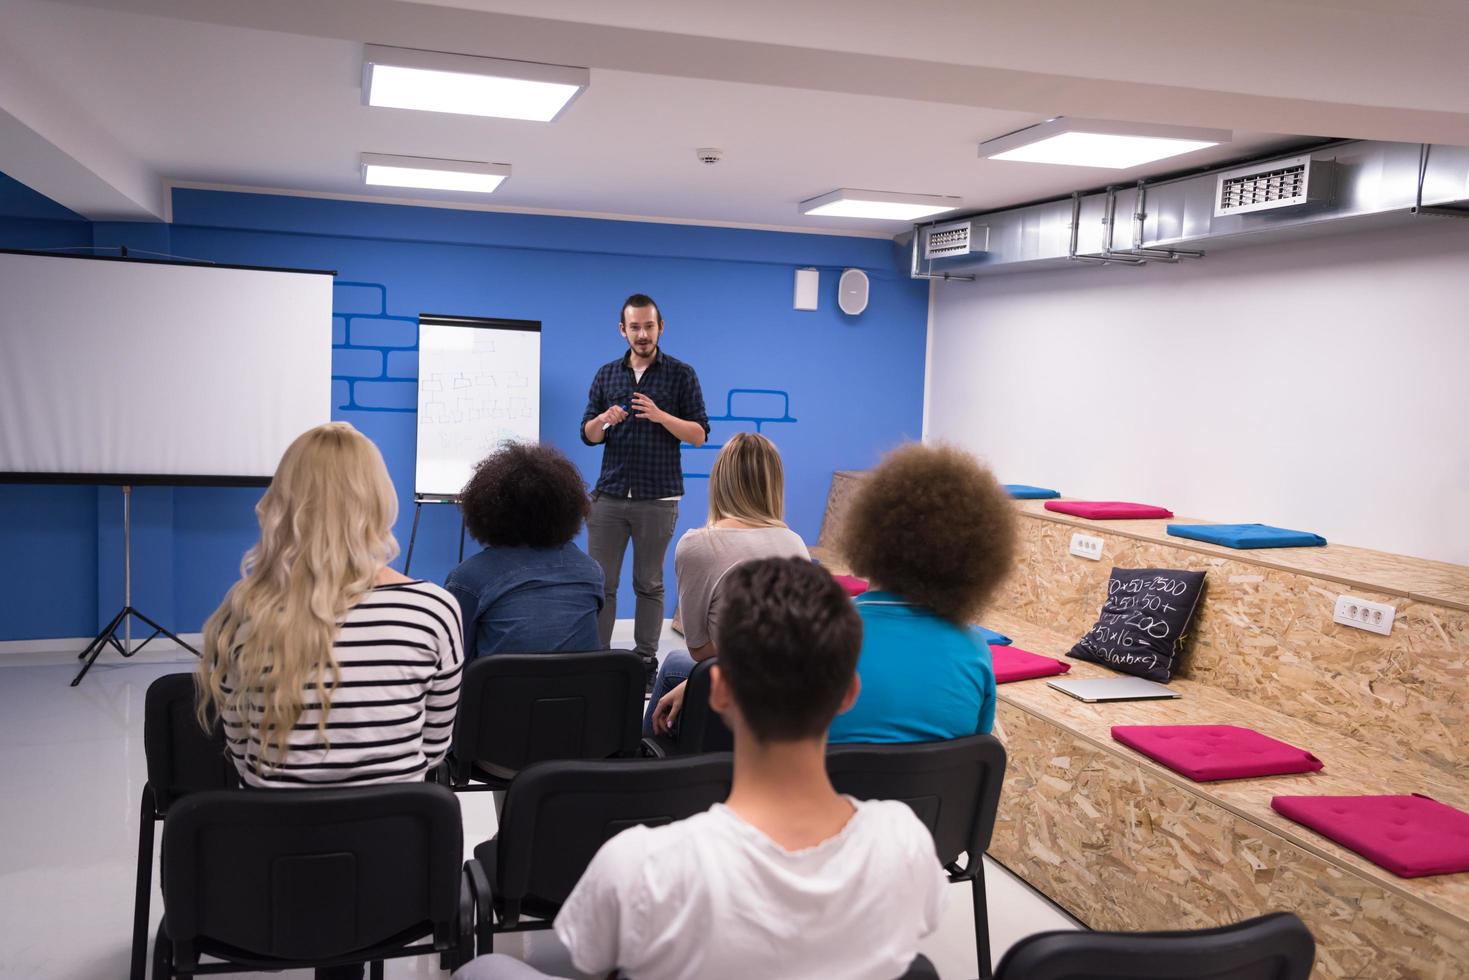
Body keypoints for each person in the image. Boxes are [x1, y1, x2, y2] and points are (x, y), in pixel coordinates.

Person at [456, 557, 949, 980]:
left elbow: (590, 960)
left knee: (481, 970)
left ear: (717, 689)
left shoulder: (642, 865)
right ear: (848, 694)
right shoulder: (905, 841)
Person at [196, 422, 464, 788]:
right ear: (379, 499)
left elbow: (244, 758)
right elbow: (432, 749)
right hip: (397, 838)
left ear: (282, 502)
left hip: (272, 839)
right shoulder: (433, 611)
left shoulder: (243, 612)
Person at [827, 442, 1017, 744]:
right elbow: (974, 750)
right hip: (942, 793)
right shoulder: (974, 651)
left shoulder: (816, 634)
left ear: (869, 535)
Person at [581, 293, 709, 687]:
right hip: (610, 496)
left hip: (658, 496)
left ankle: (644, 662)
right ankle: (597, 659)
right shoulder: (606, 375)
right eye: (634, 327)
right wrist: (603, 418)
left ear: (660, 327)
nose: (642, 334)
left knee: (649, 583)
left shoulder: (681, 374)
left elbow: (700, 434)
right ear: (623, 330)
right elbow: (588, 435)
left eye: (648, 326)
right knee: (601, 582)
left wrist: (660, 415)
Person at [645, 432, 808, 737]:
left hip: (736, 680)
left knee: (674, 665)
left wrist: (693, 682)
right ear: (774, 484)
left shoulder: (698, 545)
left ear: (720, 480)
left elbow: (699, 649)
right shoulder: (795, 544)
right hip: (781, 685)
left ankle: (640, 762)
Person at [445, 442, 603, 659]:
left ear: (486, 510)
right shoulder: (590, 571)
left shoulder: (468, 579)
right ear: (568, 507)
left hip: (500, 692)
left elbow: (455, 660)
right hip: (581, 692)